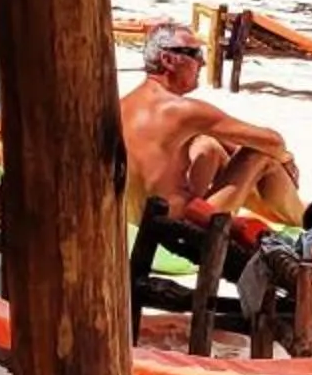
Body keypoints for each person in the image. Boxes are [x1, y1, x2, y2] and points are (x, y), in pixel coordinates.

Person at [120, 22, 300, 224]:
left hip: (140, 221)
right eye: (195, 54)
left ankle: (284, 213)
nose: (203, 62)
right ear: (168, 59)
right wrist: (286, 159)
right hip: (180, 233)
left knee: (208, 146)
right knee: (258, 155)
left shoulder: (124, 104)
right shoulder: (181, 110)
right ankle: (304, 221)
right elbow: (273, 141)